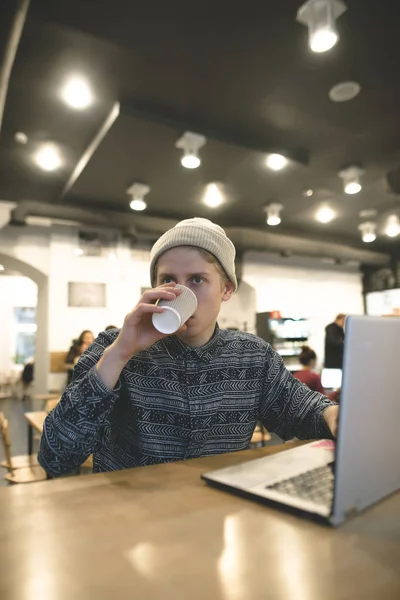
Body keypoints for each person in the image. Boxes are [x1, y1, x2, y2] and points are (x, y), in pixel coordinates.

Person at [38, 218, 339, 477]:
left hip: (212, 522)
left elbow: (299, 409)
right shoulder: (112, 348)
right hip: (127, 525)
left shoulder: (253, 356)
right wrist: (119, 354)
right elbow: (56, 457)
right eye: (168, 280)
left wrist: (332, 415)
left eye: (197, 279)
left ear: (227, 289)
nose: (180, 293)